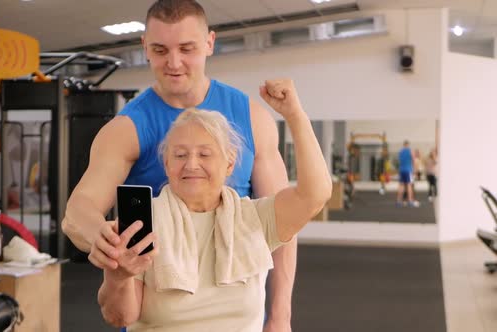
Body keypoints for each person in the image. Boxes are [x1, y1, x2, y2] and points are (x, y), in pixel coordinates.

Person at [61, 1, 299, 330]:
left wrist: (281, 314)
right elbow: (78, 211)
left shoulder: (252, 119)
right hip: (162, 314)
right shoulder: (127, 128)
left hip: (235, 314)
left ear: (209, 43)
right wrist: (102, 239)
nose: (174, 63)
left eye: (187, 49)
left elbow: (284, 227)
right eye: (160, 50)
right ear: (144, 46)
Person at [97, 80, 332, 331]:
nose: (191, 164)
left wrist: (295, 115)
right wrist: (118, 276)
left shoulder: (255, 218)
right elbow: (120, 317)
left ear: (230, 164)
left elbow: (315, 194)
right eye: (179, 155)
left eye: (205, 154)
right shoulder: (143, 223)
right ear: (166, 165)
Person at [396, 140, 419, 207]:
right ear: (408, 145)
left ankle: (398, 201)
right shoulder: (410, 151)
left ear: (403, 145)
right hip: (408, 170)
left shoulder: (400, 152)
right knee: (409, 185)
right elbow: (414, 160)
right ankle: (410, 201)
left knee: (401, 186)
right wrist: (415, 171)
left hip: (401, 170)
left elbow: (399, 161)